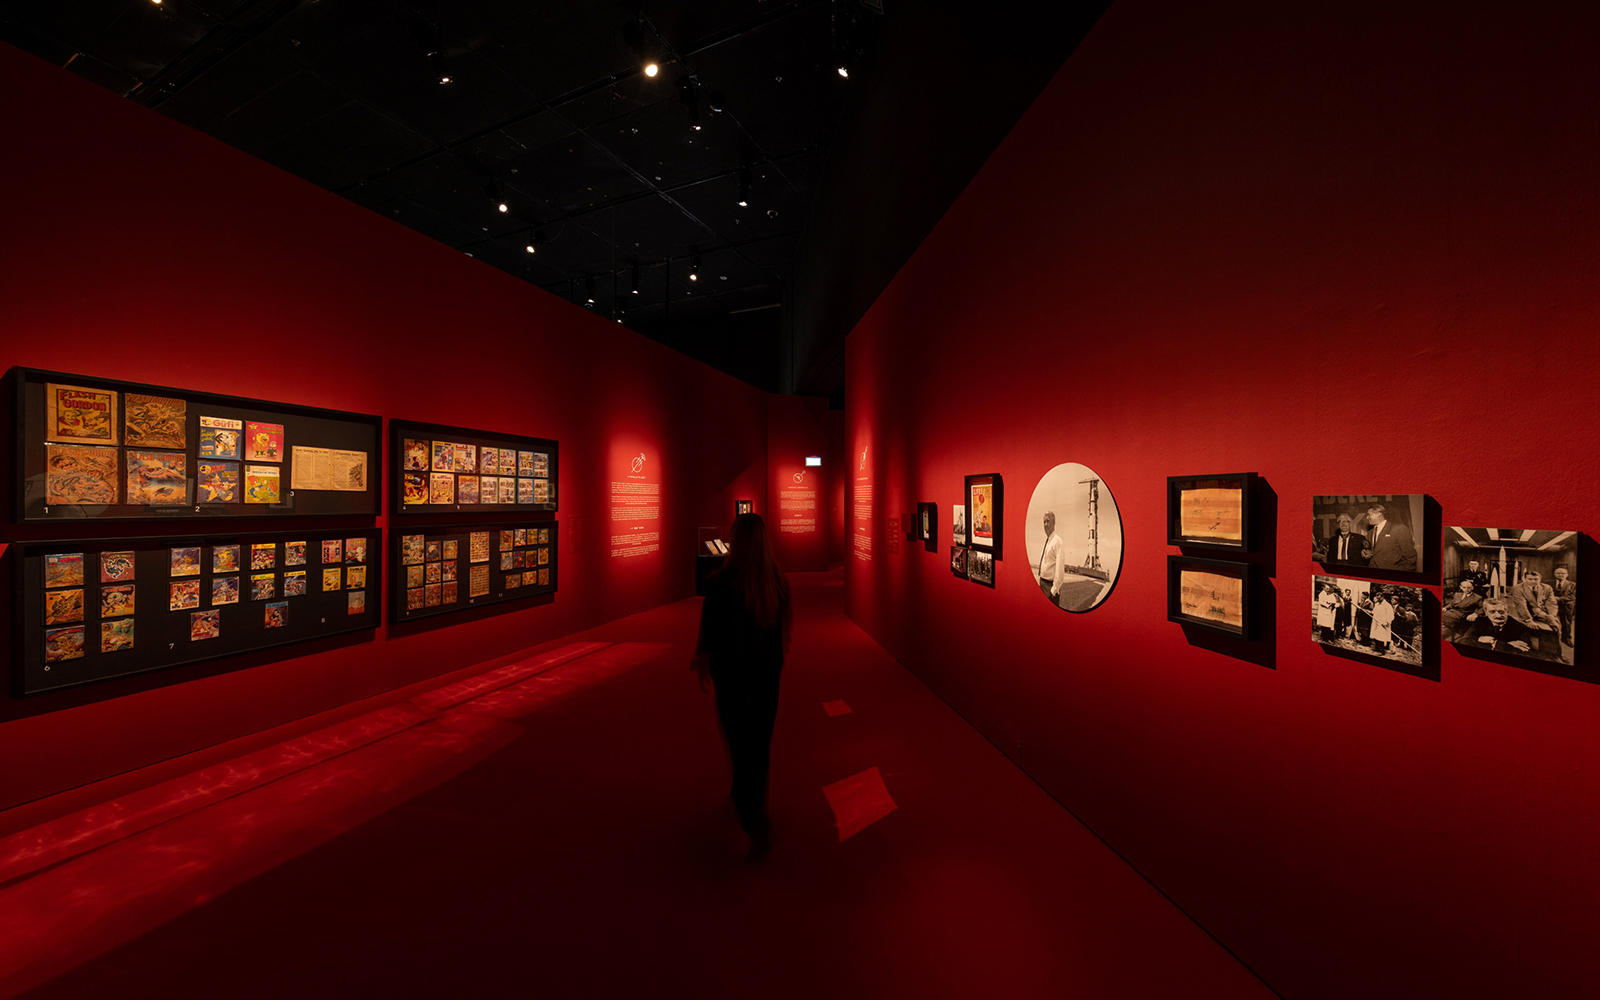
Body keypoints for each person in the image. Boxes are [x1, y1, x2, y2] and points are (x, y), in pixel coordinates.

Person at [692, 513, 793, 862]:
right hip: (766, 676)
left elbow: (710, 631)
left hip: (732, 676)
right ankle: (747, 798)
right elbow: (783, 631)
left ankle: (754, 819)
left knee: (737, 740)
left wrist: (702, 660)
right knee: (759, 742)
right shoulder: (777, 580)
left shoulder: (720, 583)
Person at [1464, 597, 1532, 653]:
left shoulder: (1520, 627)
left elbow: (1522, 651)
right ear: (1486, 613)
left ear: (1507, 612)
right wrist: (1507, 645)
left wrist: (1494, 642)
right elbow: (1464, 642)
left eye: (1501, 612)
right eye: (1492, 612)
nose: (1498, 615)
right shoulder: (1480, 622)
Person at [1363, 504, 1417, 571]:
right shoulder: (1370, 532)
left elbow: (1410, 555)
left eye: (1369, 514)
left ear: (1378, 514)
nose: (1367, 518)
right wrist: (1364, 553)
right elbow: (1375, 552)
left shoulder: (1399, 529)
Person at [1509, 570, 1560, 635]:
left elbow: (1552, 603)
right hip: (1525, 613)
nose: (1533, 581)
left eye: (1536, 579)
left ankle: (1554, 645)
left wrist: (1552, 615)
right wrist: (1528, 620)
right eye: (1530, 579)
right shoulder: (1517, 588)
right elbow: (1521, 605)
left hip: (1544, 612)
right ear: (1525, 579)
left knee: (1555, 626)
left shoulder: (1547, 588)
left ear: (1540, 579)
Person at [1036, 511, 1068, 608]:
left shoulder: (1057, 542)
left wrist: (1053, 591)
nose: (1045, 524)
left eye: (1048, 521)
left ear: (1054, 523)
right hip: (1042, 584)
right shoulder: (1047, 542)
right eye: (1044, 522)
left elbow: (1059, 570)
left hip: (1049, 588)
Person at [1552, 566, 1577, 646]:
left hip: (1566, 606)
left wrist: (1559, 598)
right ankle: (1552, 639)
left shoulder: (1573, 585)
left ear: (1567, 575)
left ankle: (1566, 639)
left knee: (1566, 623)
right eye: (1558, 573)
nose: (1560, 575)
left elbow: (1572, 596)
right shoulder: (1548, 583)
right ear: (1554, 574)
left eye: (1563, 573)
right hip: (1552, 606)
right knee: (1551, 622)